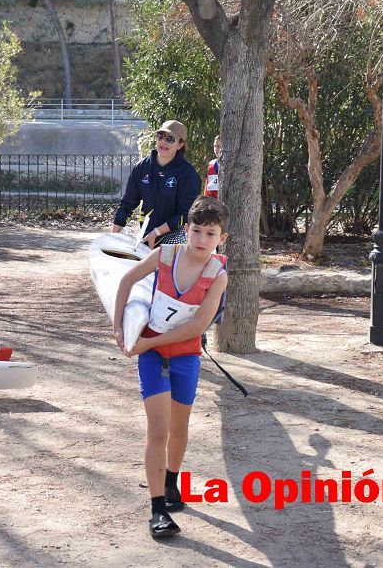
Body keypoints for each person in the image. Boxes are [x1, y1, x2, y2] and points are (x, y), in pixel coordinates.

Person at [113, 196, 229, 538]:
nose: (201, 239)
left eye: (210, 234)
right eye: (196, 230)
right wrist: (119, 326)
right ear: (186, 230)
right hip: (151, 356)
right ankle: (158, 509)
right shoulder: (165, 255)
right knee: (158, 430)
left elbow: (197, 327)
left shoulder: (217, 275)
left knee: (179, 429)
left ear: (222, 238)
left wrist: (148, 342)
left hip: (185, 356)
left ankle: (172, 482)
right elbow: (125, 281)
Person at [113, 120, 201, 248]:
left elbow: (185, 214)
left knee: (166, 267)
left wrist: (157, 232)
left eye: (170, 139)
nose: (163, 142)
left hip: (176, 238)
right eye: (160, 136)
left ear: (180, 144)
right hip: (147, 236)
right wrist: (113, 236)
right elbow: (127, 204)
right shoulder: (142, 167)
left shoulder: (188, 173)